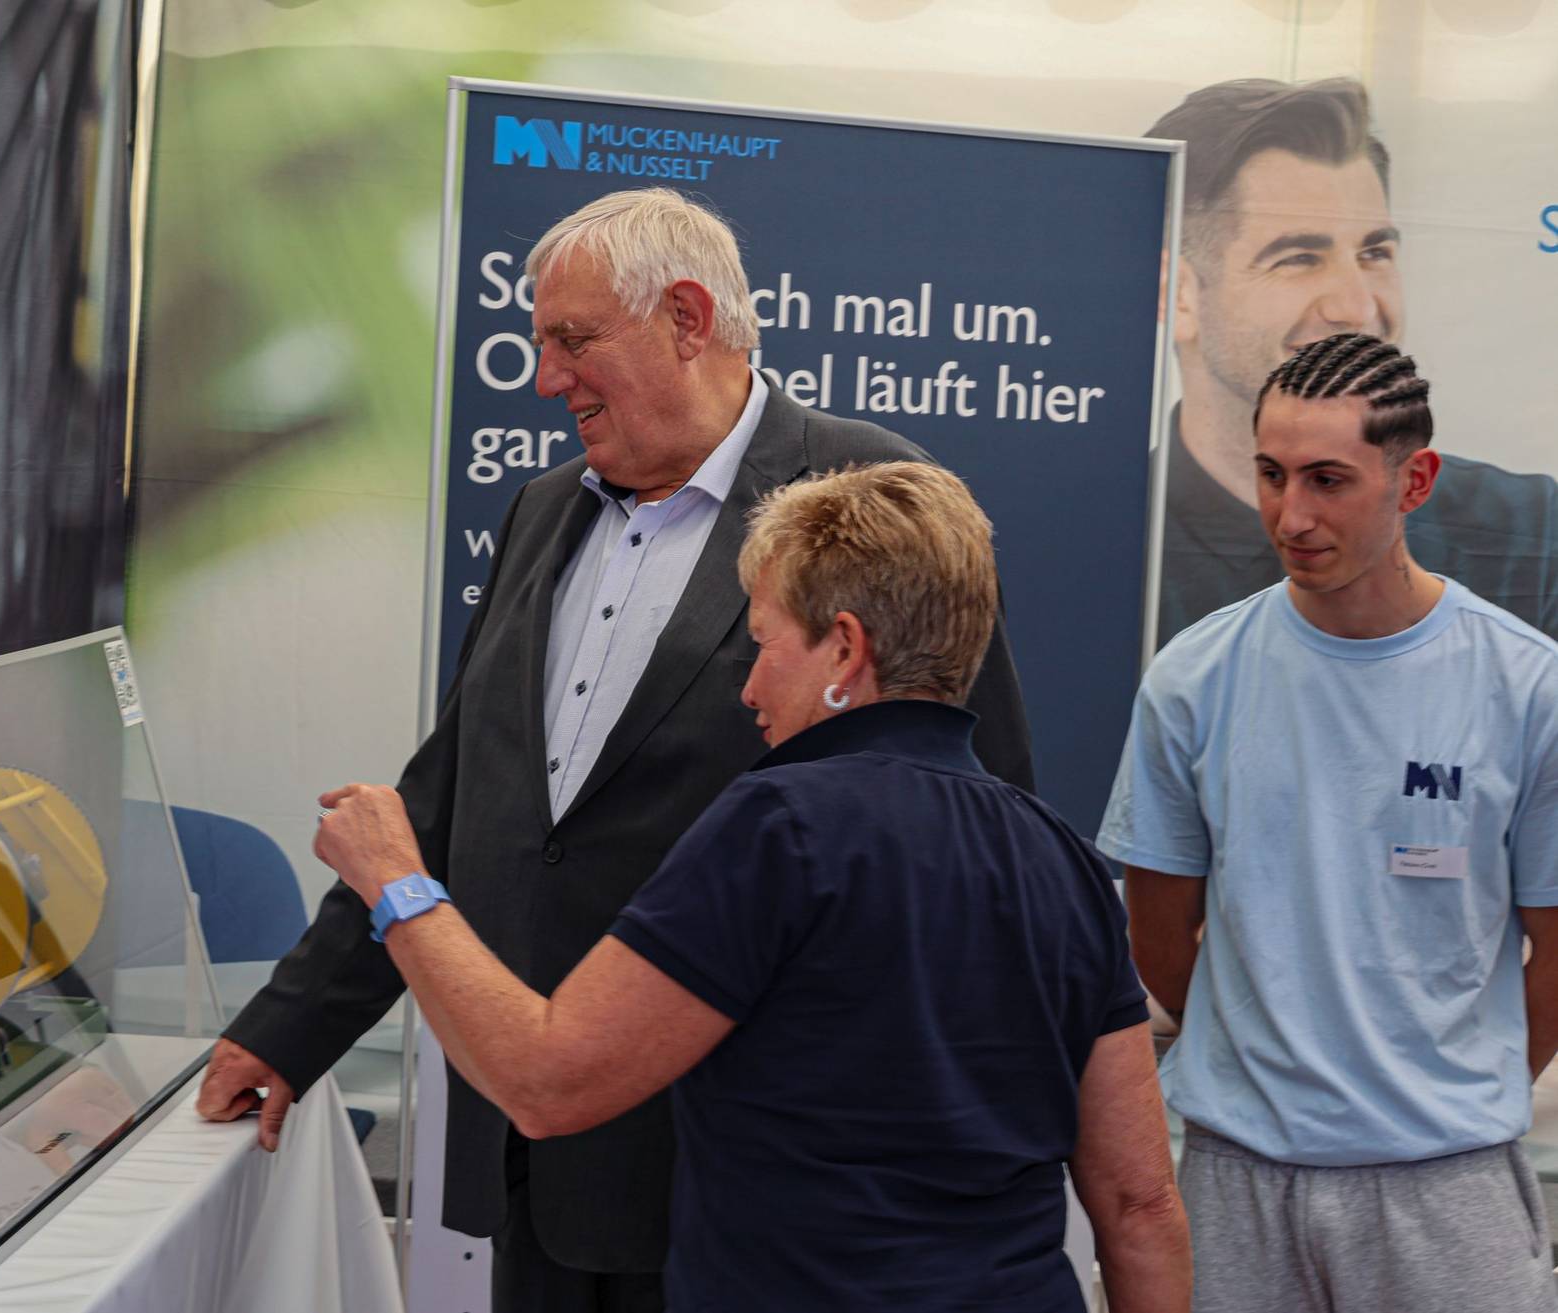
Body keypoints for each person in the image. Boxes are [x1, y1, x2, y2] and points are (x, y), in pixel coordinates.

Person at [198, 187, 1037, 1308]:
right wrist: (292, 1026)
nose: (547, 378)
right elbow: (451, 794)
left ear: (687, 317)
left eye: (573, 339)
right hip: (531, 1152)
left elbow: (978, 813)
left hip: (744, 1177)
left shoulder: (866, 501)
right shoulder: (543, 510)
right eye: (541, 343)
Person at [312, 461, 1188, 1312]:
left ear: (844, 647)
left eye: (764, 644)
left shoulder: (778, 829)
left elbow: (548, 1081)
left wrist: (397, 883)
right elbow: (1140, 1204)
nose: (749, 685)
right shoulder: (1066, 863)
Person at [1101, 333, 1558, 1312]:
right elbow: (1157, 935)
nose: (1291, 514)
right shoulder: (1193, 679)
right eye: (1271, 474)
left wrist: (1456, 1093)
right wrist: (1274, 1055)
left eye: (1327, 479)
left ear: (1415, 481)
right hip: (1239, 1176)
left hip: (1450, 1184)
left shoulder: (1526, 688)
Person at [1148, 78, 1558, 646]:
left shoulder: (1530, 531)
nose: (1360, 307)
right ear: (1178, 295)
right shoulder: (1096, 540)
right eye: (1298, 258)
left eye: (1374, 253)